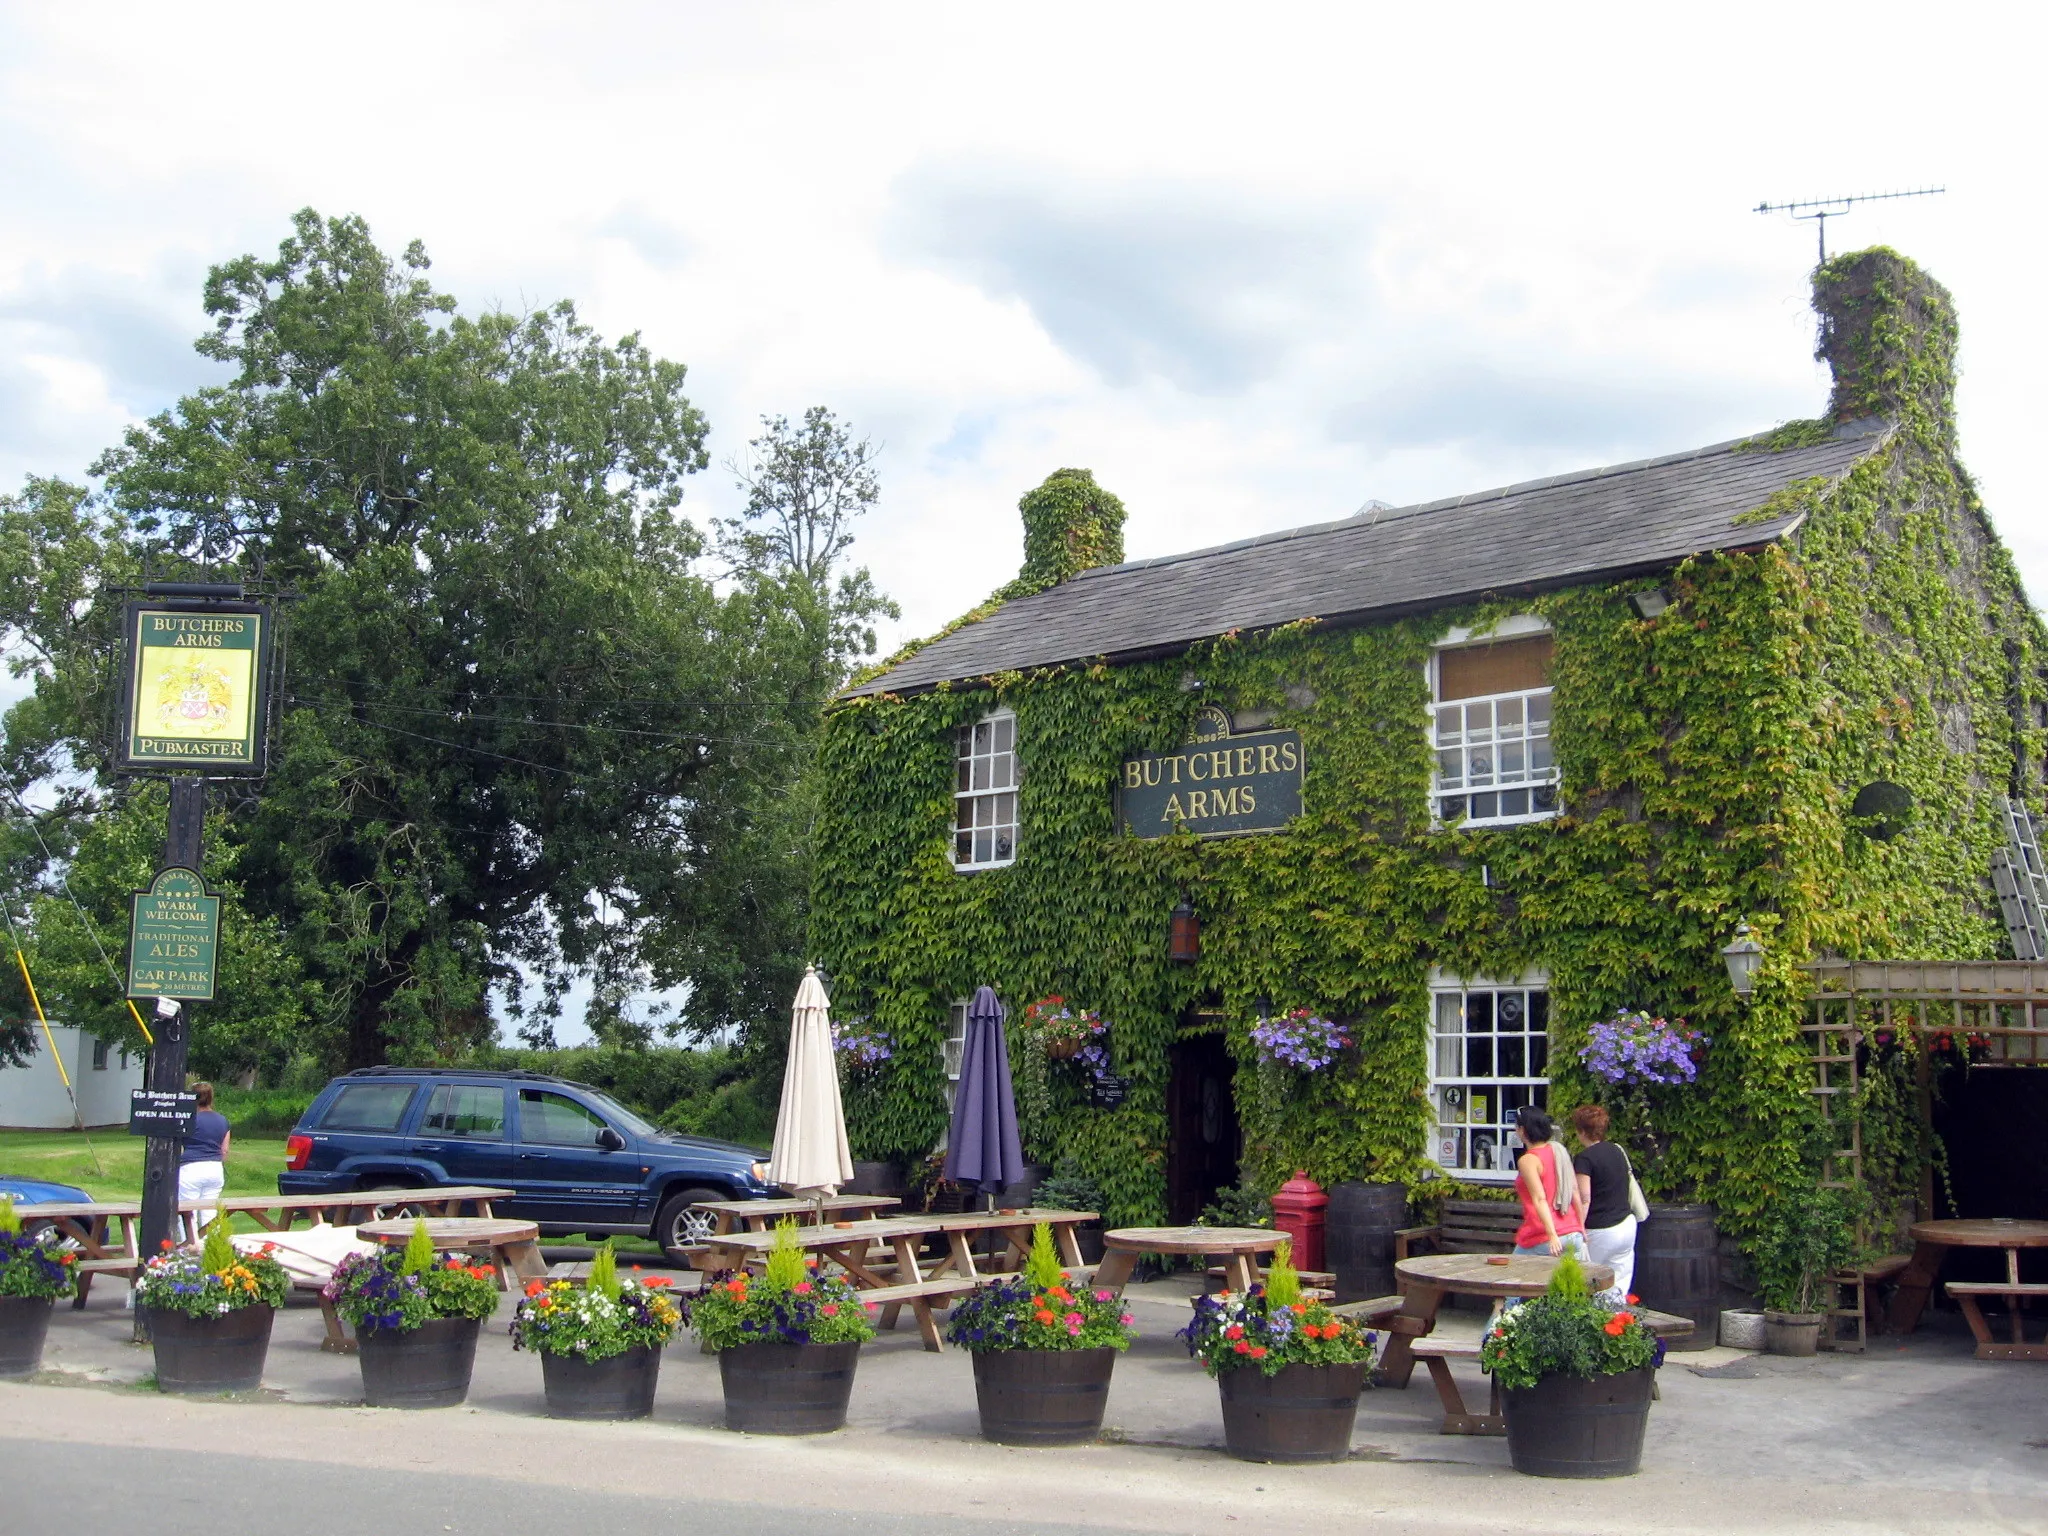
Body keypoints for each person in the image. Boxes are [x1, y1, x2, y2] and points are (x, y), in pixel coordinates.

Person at [1572, 1103, 1641, 1305]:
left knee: (1588, 1281)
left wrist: (1579, 1228)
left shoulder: (1584, 1158)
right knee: (1618, 1283)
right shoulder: (1617, 1150)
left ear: (1582, 1131)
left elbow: (1585, 1199)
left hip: (1600, 1229)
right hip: (1626, 1224)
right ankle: (1615, 1327)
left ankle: (1591, 1329)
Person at [1511, 1106, 1587, 1260]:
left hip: (1542, 1235)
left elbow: (1539, 1198)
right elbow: (1574, 1191)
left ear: (1522, 1130)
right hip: (1572, 1232)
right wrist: (1581, 1226)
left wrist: (1552, 1235)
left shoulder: (1528, 1160)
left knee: (1510, 1275)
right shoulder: (1558, 1151)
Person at [177, 1081, 231, 1241]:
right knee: (210, 1212)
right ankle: (211, 1246)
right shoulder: (222, 1120)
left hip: (191, 1167)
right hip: (214, 1168)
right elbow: (224, 1150)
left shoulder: (188, 1119)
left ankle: (189, 1246)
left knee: (187, 1211)